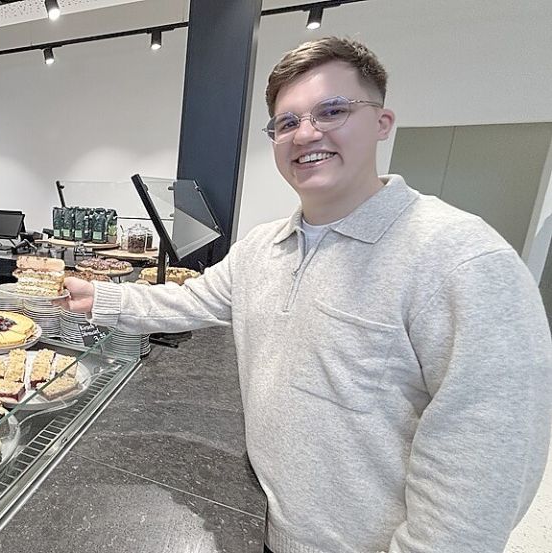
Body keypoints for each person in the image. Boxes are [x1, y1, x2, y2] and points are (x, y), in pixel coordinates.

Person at [61, 37, 552, 553]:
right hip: (271, 522)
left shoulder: (463, 260)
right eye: (287, 122)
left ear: (382, 123)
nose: (306, 134)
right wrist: (98, 298)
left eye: (332, 110)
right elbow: (190, 300)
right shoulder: (262, 247)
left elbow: (483, 466)